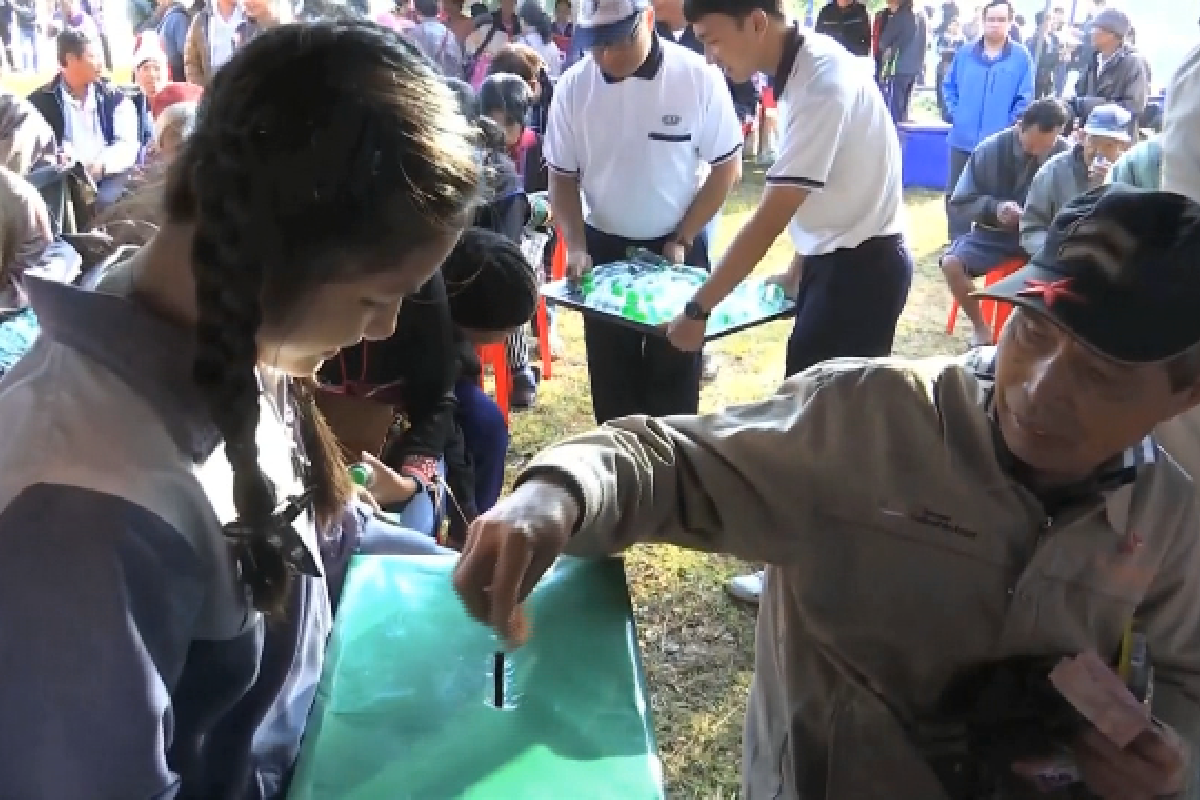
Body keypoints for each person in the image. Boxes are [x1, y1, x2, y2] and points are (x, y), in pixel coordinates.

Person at [452, 184, 1200, 800]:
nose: (1040, 388)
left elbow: (1186, 678)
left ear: (1184, 393)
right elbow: (666, 458)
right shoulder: (867, 420)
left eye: (1099, 373)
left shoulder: (1174, 519)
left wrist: (1171, 762)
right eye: (1033, 331)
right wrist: (554, 493)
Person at [0, 21, 480, 798]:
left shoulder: (239, 339)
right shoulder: (77, 509)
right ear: (270, 260)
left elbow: (326, 533)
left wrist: (464, 570)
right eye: (375, 298)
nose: (386, 328)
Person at [546, 0, 742, 424]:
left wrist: (684, 237)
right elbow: (561, 177)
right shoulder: (574, 88)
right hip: (602, 248)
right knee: (612, 380)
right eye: (595, 44)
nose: (605, 56)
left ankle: (672, 479)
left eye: (616, 42)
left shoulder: (696, 78)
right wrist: (576, 246)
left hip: (677, 245)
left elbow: (727, 167)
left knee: (674, 378)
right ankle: (623, 476)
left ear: (648, 21)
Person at [940, 97, 1068, 347]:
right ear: (1020, 125)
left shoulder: (1065, 154)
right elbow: (961, 201)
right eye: (1031, 147)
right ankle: (981, 330)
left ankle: (1048, 337)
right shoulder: (990, 149)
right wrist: (994, 208)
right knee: (952, 263)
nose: (1038, 153)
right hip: (996, 235)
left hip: (1043, 235)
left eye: (1045, 147)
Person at [942, 0, 1033, 240]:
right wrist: (957, 112)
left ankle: (988, 239)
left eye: (1001, 20)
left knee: (997, 194)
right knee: (956, 192)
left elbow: (1025, 96)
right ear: (983, 22)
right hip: (962, 137)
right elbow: (949, 86)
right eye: (991, 19)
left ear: (1010, 23)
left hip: (999, 142)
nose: (995, 25)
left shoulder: (1021, 57)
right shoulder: (965, 53)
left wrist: (1010, 124)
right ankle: (956, 240)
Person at [27, 29, 141, 210]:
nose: (100, 63)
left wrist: (101, 166)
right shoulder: (39, 102)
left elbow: (127, 144)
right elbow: (32, 153)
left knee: (107, 203)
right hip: (63, 181)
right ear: (71, 59)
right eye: (93, 56)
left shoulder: (114, 97)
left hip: (110, 175)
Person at [1020, 103, 1131, 258]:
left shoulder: (1132, 174)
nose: (1097, 151)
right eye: (1093, 141)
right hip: (1059, 260)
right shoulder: (1054, 170)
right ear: (1083, 138)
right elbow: (1032, 227)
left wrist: (1109, 185)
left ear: (1123, 147)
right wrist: (1055, 253)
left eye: (1108, 145)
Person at [1068, 7, 1147, 141]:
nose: (1092, 33)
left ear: (1112, 34)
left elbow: (1134, 105)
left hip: (1117, 142)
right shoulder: (1093, 59)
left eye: (1096, 28)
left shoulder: (1133, 62)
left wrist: (1087, 105)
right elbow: (1079, 93)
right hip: (1089, 137)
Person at [876, 0, 926, 123]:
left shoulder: (899, 17)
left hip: (898, 67)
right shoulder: (921, 16)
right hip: (914, 67)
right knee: (905, 108)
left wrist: (891, 48)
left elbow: (883, 42)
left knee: (895, 109)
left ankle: (896, 136)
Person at [183, 0, 244, 86]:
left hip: (244, 90)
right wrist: (202, 91)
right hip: (213, 92)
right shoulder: (201, 19)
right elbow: (191, 61)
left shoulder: (249, 14)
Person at [408, 0, 462, 76]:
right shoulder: (449, 33)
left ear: (417, 11)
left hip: (423, 80)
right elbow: (457, 62)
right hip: (446, 81)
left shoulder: (414, 33)